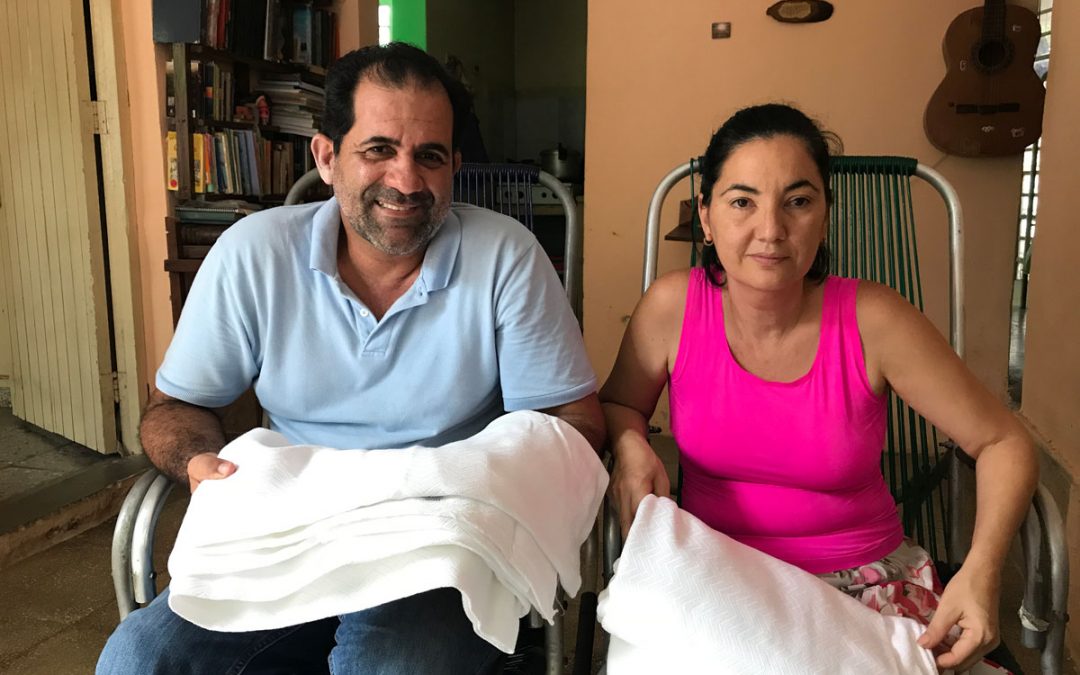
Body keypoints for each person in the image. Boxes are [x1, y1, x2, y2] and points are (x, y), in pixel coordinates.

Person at [98, 42, 604, 675]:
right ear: (326, 157)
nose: (406, 181)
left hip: (440, 542)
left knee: (387, 665)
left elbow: (572, 423)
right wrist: (198, 463)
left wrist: (486, 482)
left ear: (454, 166)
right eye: (378, 150)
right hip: (292, 532)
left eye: (430, 156)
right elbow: (175, 407)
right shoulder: (253, 254)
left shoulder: (506, 257)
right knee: (140, 657)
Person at [600, 103, 1037, 673]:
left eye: (798, 201)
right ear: (705, 217)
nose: (771, 230)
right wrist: (630, 444)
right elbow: (620, 403)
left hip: (862, 589)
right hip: (717, 579)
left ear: (825, 215)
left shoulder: (875, 319)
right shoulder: (671, 307)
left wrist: (981, 571)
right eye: (742, 201)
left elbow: (1003, 441)